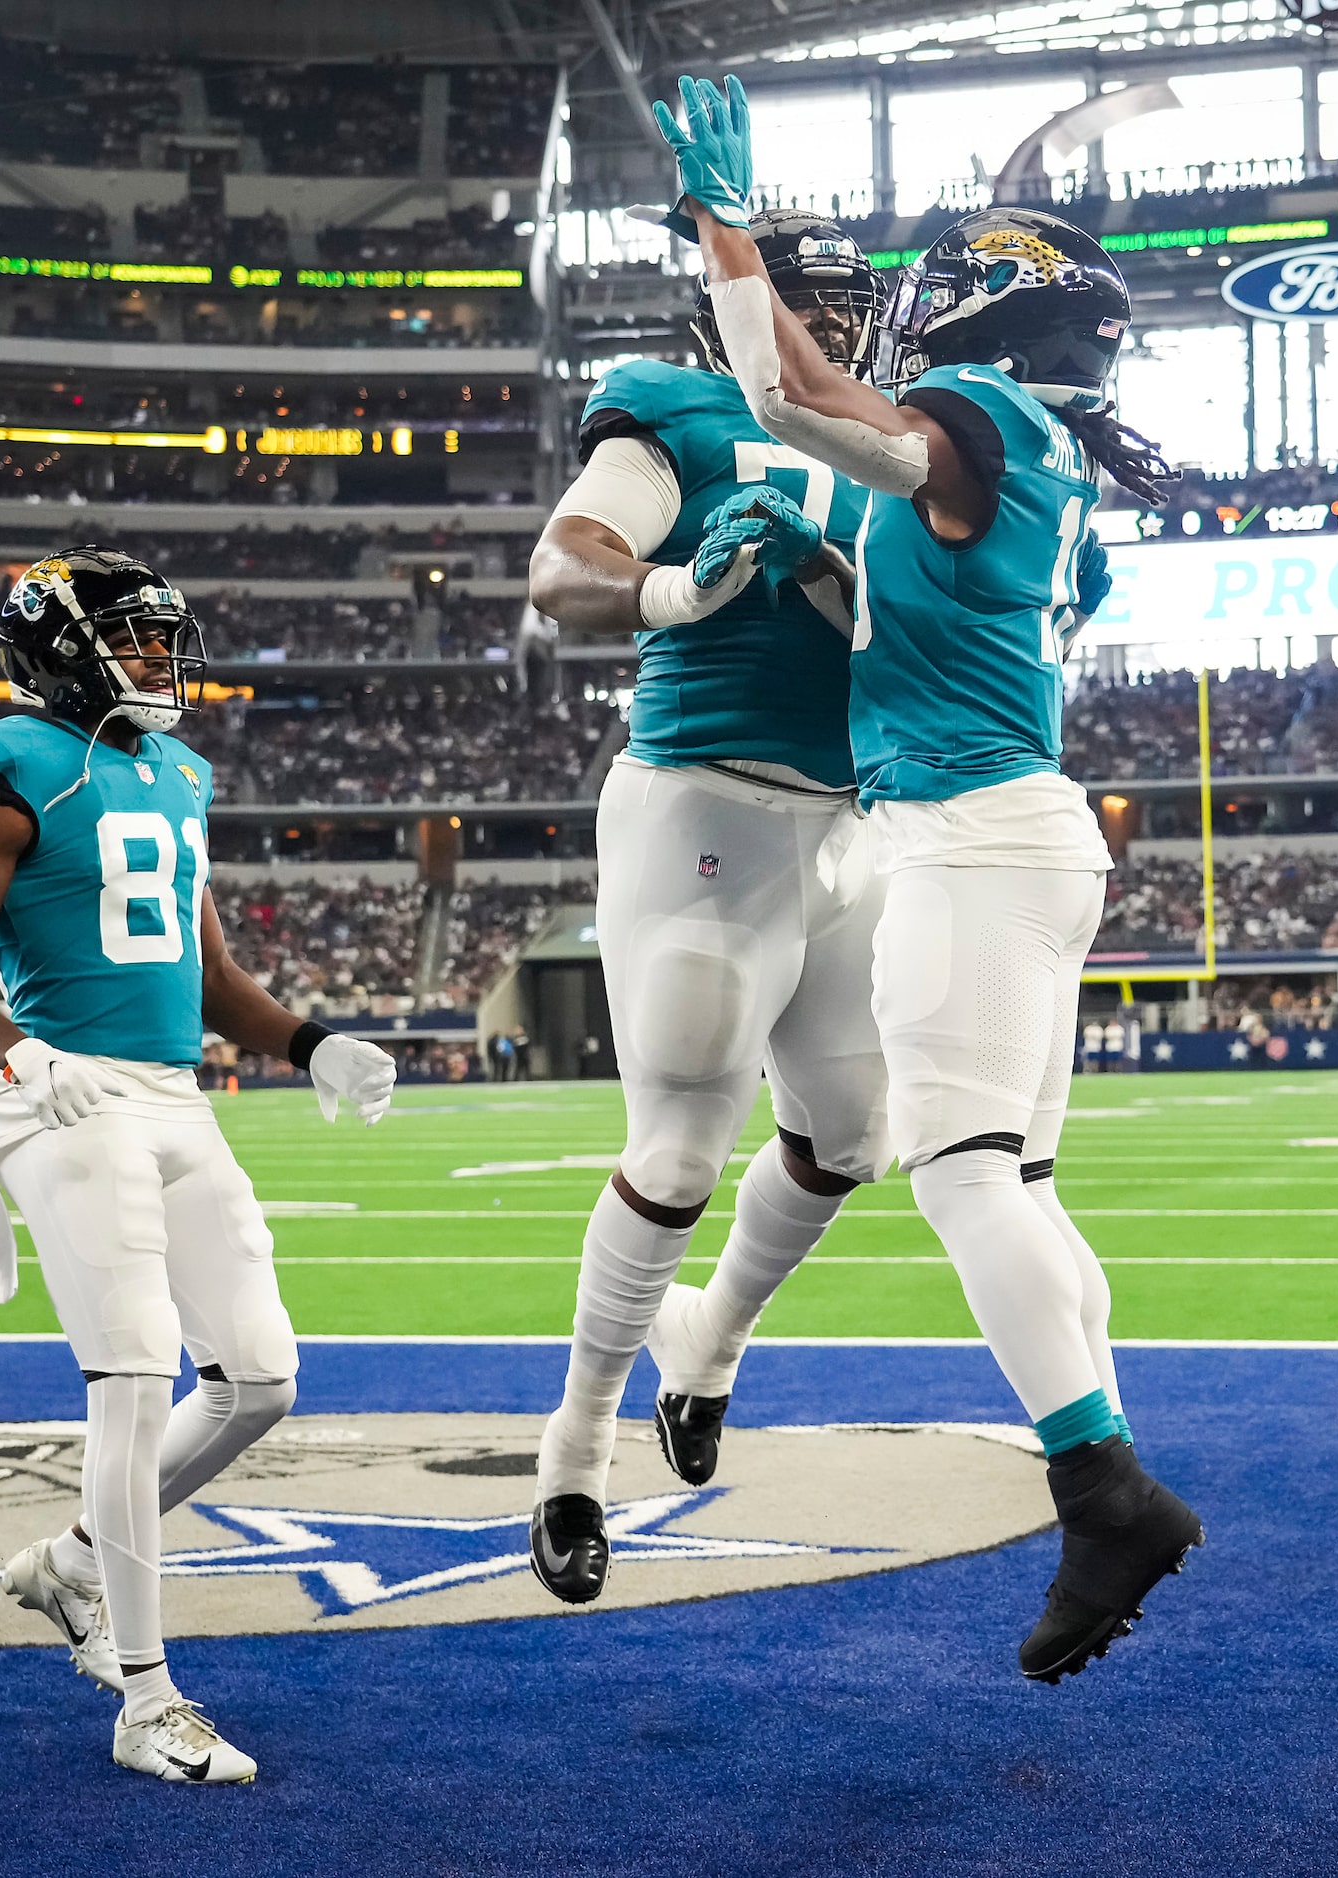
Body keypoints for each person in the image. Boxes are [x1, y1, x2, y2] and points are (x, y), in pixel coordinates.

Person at [663, 73, 1203, 1681]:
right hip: (1024, 828)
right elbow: (940, 610)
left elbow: (790, 397)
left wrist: (727, 233)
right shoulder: (1056, 462)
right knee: (1016, 1181)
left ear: (997, 315)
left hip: (964, 833)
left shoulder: (991, 423)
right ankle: (1108, 1460)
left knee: (964, 1173)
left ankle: (1102, 1481)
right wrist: (831, 566)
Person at [0, 546, 398, 1786]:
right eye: (134, 638)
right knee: (129, 1384)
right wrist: (20, 1059)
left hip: (173, 1095)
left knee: (261, 1379)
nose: (160, 659)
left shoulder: (175, 772)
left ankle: (72, 1563)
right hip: (64, 1096)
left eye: (165, 638)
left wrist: (312, 1041)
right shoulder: (8, 772)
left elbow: (213, 976)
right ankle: (144, 1697)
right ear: (59, 652)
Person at [520, 207, 893, 1604]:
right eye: (814, 305)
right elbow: (561, 571)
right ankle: (571, 1452)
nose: (840, 332)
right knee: (678, 1148)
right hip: (705, 804)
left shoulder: (897, 429)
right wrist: (673, 587)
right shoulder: (674, 409)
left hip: (853, 818)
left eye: (852, 310)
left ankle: (712, 1340)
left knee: (856, 1135)